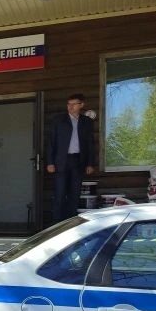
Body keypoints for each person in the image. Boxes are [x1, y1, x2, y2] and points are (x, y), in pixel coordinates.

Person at [45, 93, 95, 223]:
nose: (71, 106)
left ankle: (70, 224)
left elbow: (90, 143)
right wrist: (50, 162)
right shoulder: (58, 120)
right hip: (61, 161)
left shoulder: (86, 122)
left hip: (78, 161)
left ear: (81, 105)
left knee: (74, 194)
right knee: (60, 194)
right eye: (69, 104)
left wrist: (90, 163)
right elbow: (51, 142)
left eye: (74, 104)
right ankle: (56, 225)